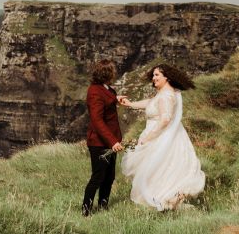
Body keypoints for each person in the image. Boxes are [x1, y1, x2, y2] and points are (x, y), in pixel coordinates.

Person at [119, 64, 205, 211]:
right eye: (153, 75)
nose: (154, 78)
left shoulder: (166, 95)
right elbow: (151, 103)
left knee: (159, 167)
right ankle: (162, 199)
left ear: (167, 78)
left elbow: (165, 119)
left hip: (161, 136)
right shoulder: (164, 93)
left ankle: (162, 199)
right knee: (158, 168)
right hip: (159, 133)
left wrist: (149, 137)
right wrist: (131, 104)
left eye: (157, 75)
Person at [82, 60, 125, 217]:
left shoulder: (107, 89)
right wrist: (113, 142)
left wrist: (116, 98)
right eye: (113, 71)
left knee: (109, 176)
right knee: (98, 177)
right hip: (100, 143)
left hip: (109, 141)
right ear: (108, 73)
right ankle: (86, 211)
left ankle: (103, 206)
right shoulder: (94, 92)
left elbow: (107, 98)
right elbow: (97, 120)